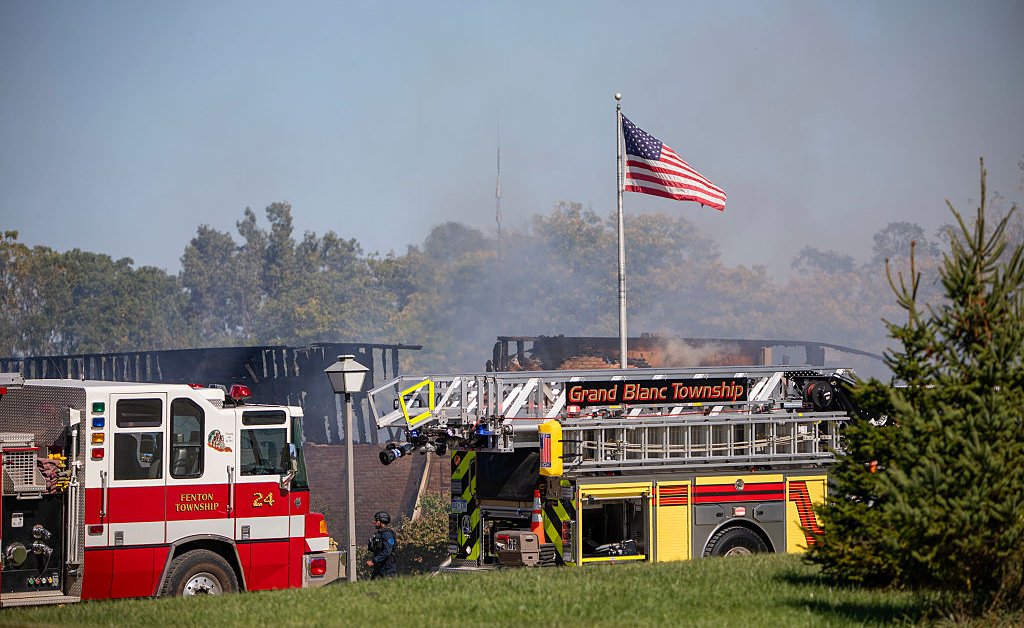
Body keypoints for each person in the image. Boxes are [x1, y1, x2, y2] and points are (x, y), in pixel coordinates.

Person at [366, 511, 397, 579]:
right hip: (378, 568)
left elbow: (387, 551)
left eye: (376, 520)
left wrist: (374, 561)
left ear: (382, 521)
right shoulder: (379, 534)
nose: (374, 522)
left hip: (387, 568)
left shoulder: (387, 534)